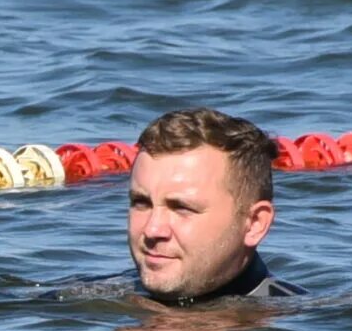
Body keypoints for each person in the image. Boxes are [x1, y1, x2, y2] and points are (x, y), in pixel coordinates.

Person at [125, 107, 305, 304]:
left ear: (254, 223)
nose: (152, 230)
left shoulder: (303, 321)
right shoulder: (100, 293)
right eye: (141, 203)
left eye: (181, 208)